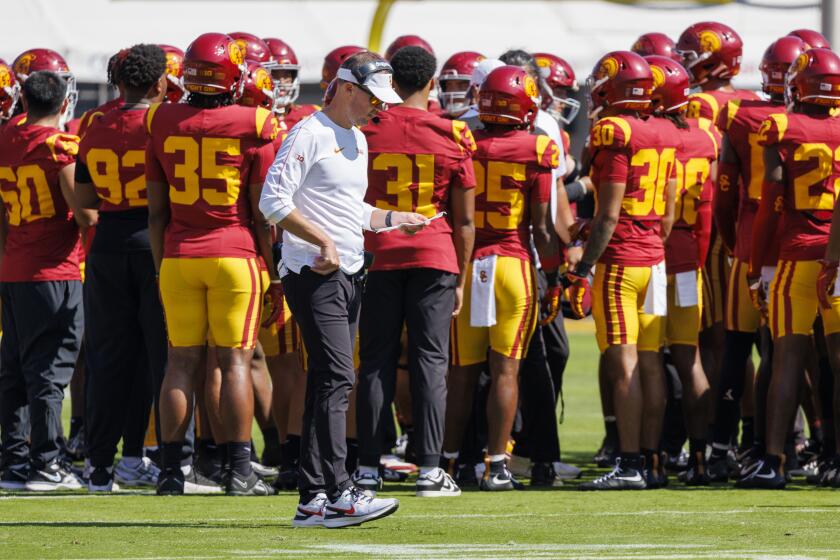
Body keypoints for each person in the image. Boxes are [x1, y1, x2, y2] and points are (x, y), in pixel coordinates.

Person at [260, 51, 425, 528]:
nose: (381, 108)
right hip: (313, 273)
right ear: (347, 88)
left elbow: (350, 209)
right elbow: (272, 200)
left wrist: (393, 220)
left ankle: (313, 496)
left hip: (348, 271)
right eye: (373, 97)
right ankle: (339, 492)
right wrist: (322, 240)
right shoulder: (309, 132)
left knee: (327, 380)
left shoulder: (356, 137)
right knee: (337, 378)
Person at [145, 32, 279, 496]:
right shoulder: (257, 121)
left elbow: (157, 212)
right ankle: (240, 469)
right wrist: (274, 271)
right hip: (234, 253)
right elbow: (263, 212)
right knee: (235, 361)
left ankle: (168, 472)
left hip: (179, 255)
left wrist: (163, 263)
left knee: (180, 363)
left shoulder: (160, 118)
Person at [352, 46, 475, 498]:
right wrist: (460, 275)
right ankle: (428, 468)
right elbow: (463, 220)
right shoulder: (453, 133)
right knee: (429, 364)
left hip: (377, 254)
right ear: (431, 82)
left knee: (375, 364)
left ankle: (367, 466)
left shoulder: (366, 130)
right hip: (434, 256)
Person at [442, 65, 561, 492]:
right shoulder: (538, 148)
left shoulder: (461, 141)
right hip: (512, 264)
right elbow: (544, 228)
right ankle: (497, 466)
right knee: (506, 371)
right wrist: (556, 274)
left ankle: (449, 464)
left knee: (461, 372)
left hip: (468, 262)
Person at [572, 51, 677, 490]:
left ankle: (630, 463)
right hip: (655, 257)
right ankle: (652, 461)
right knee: (650, 363)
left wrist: (586, 265)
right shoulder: (664, 129)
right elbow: (668, 215)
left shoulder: (614, 131)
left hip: (621, 261)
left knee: (624, 364)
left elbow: (609, 215)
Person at [706, 36, 806, 481]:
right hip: (817, 248)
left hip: (755, 244)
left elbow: (724, 199)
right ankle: (807, 444)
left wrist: (731, 244)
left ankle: (726, 447)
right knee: (803, 355)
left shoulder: (744, 117)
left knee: (741, 348)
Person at [740, 48, 840, 489]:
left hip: (797, 256)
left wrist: (756, 266)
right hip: (837, 257)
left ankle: (774, 461)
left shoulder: (782, 126)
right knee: (837, 361)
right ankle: (834, 458)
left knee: (786, 360)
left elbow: (769, 207)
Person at [74, 44, 169, 492]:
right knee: (159, 358)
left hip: (107, 239)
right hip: (153, 239)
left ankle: (99, 466)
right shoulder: (162, 121)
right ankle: (153, 459)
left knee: (108, 359)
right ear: (157, 82)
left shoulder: (93, 122)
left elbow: (85, 197)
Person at [0, 70, 96, 490]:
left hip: (14, 266)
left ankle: (14, 462)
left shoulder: (6, 139)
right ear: (63, 105)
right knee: (50, 370)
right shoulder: (61, 147)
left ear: (23, 101)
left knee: (15, 370)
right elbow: (85, 211)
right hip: (54, 270)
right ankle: (46, 462)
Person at [646, 54, 717, 485]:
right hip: (691, 257)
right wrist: (701, 261)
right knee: (690, 359)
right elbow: (707, 211)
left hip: (649, 252)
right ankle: (701, 459)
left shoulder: (641, 132)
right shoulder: (706, 135)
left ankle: (649, 460)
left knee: (649, 359)